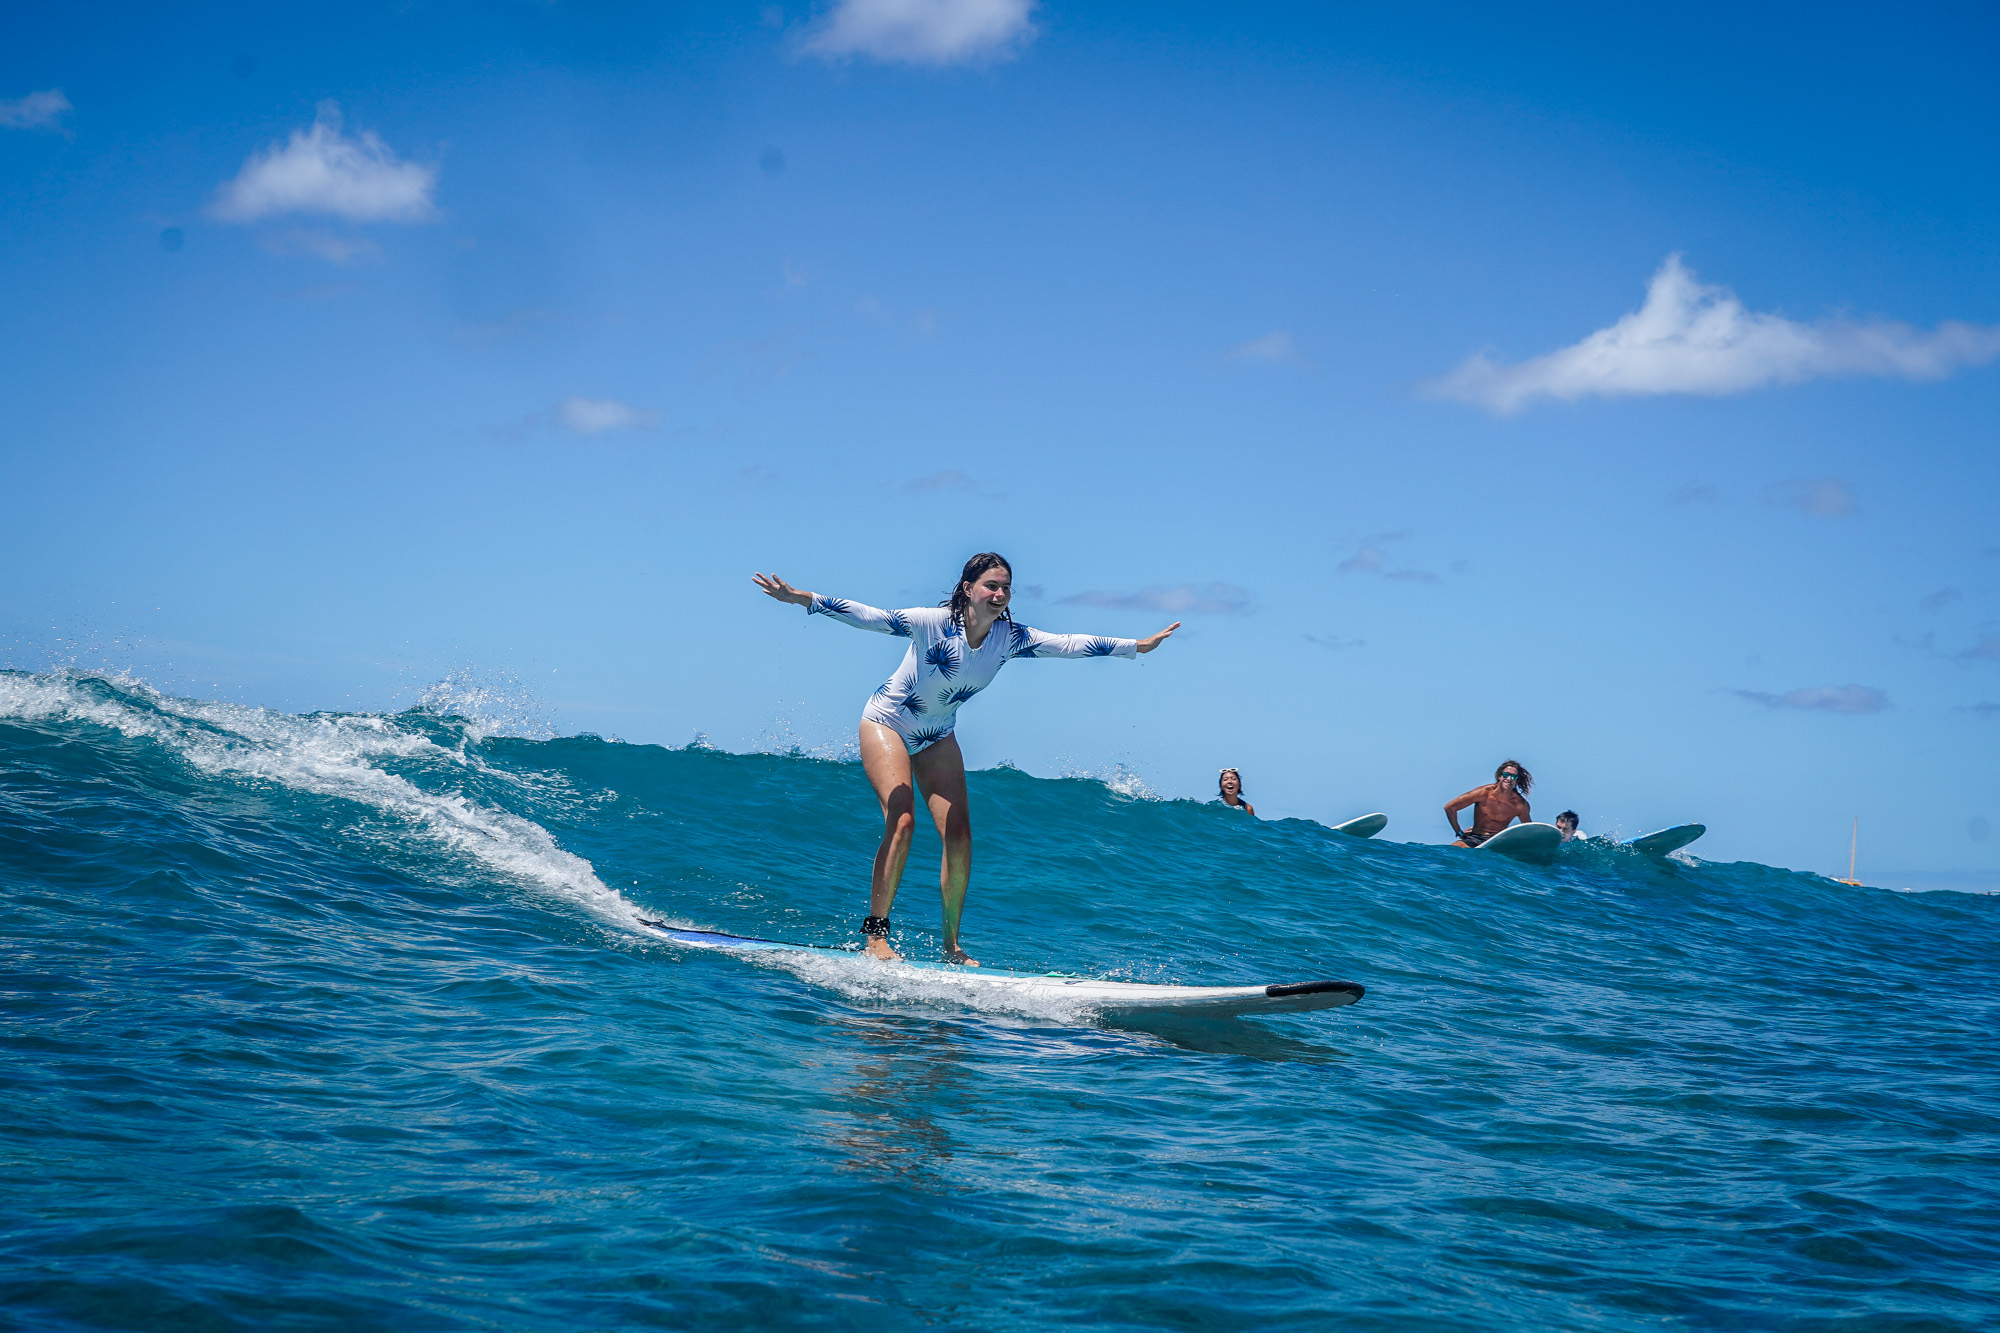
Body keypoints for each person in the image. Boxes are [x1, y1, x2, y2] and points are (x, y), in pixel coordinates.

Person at [752, 553, 1179, 965]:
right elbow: (871, 616)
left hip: (937, 733)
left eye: (1006, 588)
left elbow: (1068, 644)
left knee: (959, 834)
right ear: (967, 588)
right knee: (902, 819)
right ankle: (875, 936)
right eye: (991, 585)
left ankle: (951, 944)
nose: (1000, 594)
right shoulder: (933, 624)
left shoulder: (1010, 639)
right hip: (887, 722)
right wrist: (802, 599)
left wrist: (1136, 647)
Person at [1445, 760, 1533, 848]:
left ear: (1517, 781)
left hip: (1498, 841)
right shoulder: (1483, 793)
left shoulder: (1519, 805)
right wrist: (1459, 832)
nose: (1509, 779)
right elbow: (1450, 808)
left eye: (1513, 777)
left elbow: (1529, 830)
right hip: (1475, 838)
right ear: (1499, 776)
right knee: (1451, 850)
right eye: (1506, 775)